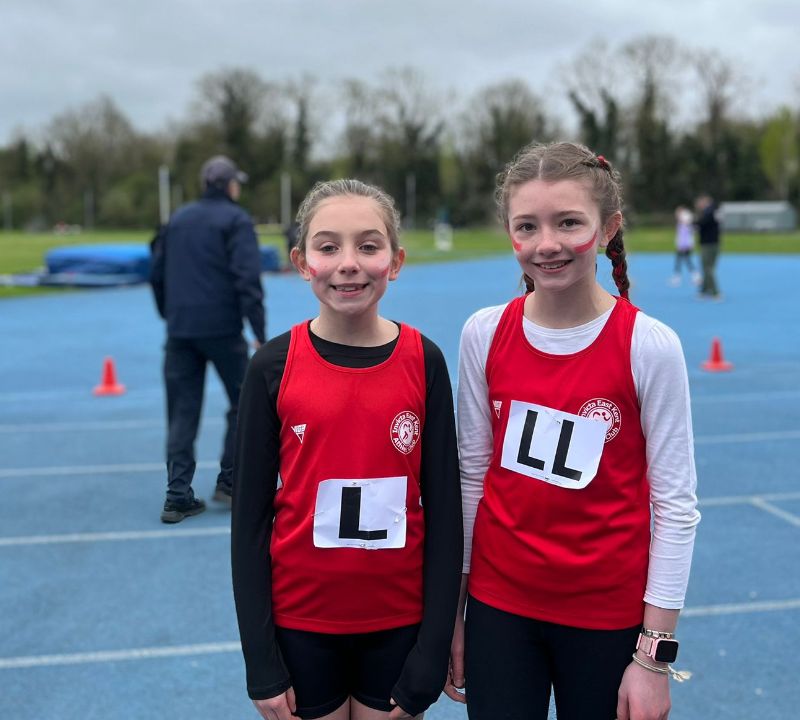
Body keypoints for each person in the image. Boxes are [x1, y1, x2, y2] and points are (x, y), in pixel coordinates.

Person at [447, 142, 700, 720]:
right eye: (527, 226)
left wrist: (653, 658)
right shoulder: (483, 334)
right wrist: (454, 616)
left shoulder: (649, 346)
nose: (547, 244)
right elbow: (472, 479)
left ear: (608, 228)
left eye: (568, 223)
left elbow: (675, 505)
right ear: (510, 234)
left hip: (607, 620)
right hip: (499, 611)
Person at [231, 179, 462, 720]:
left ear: (395, 261)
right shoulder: (271, 367)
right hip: (301, 625)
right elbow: (249, 525)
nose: (349, 263)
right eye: (329, 246)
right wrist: (259, 659)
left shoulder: (424, 361)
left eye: (369, 245)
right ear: (301, 262)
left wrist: (432, 651)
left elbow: (445, 515)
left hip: (398, 623)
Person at [149, 155, 266, 524]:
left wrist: (169, 314)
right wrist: (259, 332)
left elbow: (156, 272)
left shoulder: (177, 219)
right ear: (229, 185)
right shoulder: (236, 220)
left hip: (181, 330)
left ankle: (177, 495)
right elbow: (247, 278)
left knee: (181, 411)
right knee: (245, 401)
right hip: (223, 329)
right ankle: (229, 481)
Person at [694, 194, 722, 298]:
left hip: (708, 244)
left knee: (707, 268)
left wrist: (691, 222)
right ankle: (704, 290)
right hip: (712, 243)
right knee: (707, 267)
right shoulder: (713, 211)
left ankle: (715, 292)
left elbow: (701, 223)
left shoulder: (709, 212)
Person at [670, 206, 699, 286]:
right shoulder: (681, 224)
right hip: (682, 245)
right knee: (684, 260)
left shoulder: (685, 224)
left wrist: (683, 246)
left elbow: (687, 236)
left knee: (683, 260)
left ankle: (678, 277)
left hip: (684, 246)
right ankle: (695, 276)